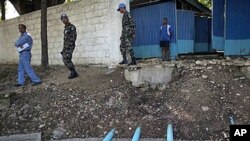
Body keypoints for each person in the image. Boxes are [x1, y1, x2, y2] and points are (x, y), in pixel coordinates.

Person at [60, 14, 78, 79]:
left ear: (68, 19)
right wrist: (64, 47)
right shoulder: (65, 29)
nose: (64, 19)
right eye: (63, 19)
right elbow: (65, 39)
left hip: (70, 46)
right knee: (64, 58)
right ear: (62, 20)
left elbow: (74, 37)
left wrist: (69, 45)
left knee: (67, 58)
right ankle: (73, 71)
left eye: (65, 18)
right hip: (66, 46)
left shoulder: (72, 27)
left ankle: (73, 72)